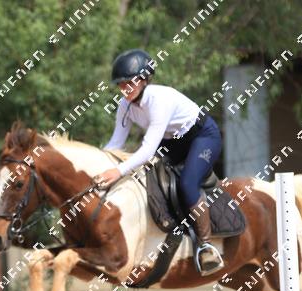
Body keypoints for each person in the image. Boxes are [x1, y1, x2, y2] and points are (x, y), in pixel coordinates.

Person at [94, 48, 224, 276]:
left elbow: (147, 149)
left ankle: (206, 246)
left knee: (187, 184)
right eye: (121, 84)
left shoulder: (159, 99)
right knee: (147, 178)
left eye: (129, 83)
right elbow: (115, 143)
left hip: (203, 136)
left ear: (144, 79)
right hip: (173, 141)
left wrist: (117, 171)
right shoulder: (125, 105)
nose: (124, 88)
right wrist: (98, 164)